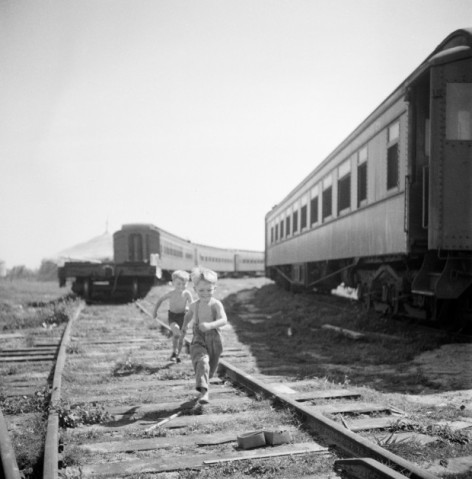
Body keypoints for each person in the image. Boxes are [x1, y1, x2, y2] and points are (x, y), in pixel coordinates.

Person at [178, 267, 227, 404]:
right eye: (201, 290)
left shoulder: (216, 304)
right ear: (195, 289)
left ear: (214, 288)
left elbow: (224, 320)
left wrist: (211, 325)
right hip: (198, 337)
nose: (205, 294)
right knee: (202, 362)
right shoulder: (194, 305)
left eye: (209, 290)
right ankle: (204, 393)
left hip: (214, 338)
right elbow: (188, 315)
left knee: (210, 368)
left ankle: (205, 381)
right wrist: (184, 326)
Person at [152, 270, 193, 362]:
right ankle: (174, 351)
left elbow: (192, 304)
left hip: (183, 317)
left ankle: (177, 355)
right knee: (176, 332)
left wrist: (190, 310)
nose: (181, 286)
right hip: (173, 317)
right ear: (173, 283)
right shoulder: (171, 293)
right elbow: (160, 300)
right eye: (178, 284)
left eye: (184, 284)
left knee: (181, 338)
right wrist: (155, 311)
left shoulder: (187, 294)